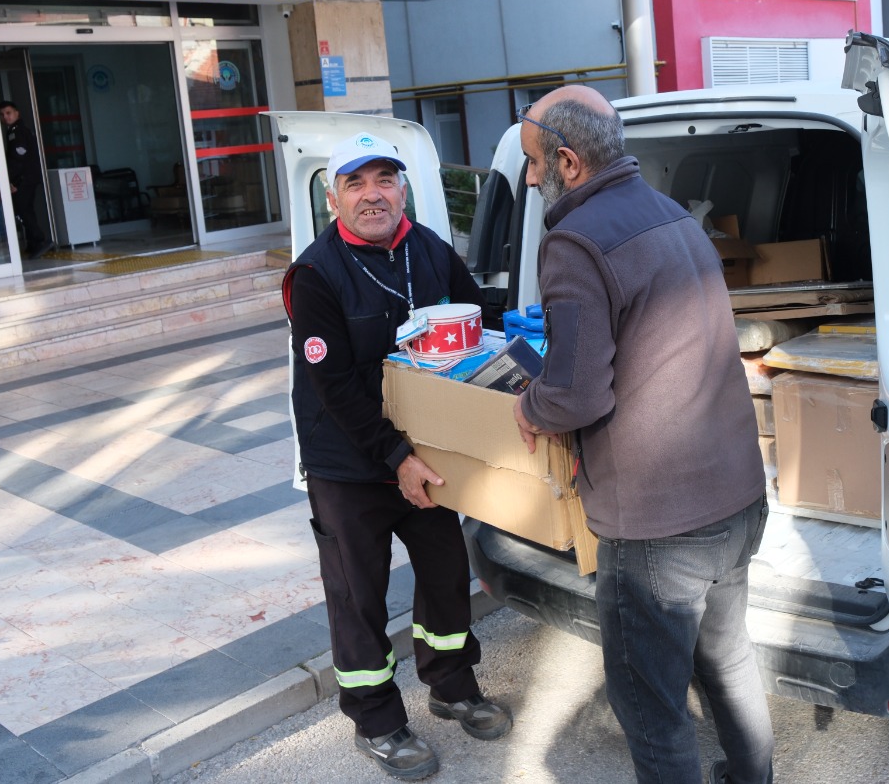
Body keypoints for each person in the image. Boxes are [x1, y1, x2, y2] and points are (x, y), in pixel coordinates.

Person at [511, 87, 773, 784]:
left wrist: (531, 405)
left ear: (567, 161)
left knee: (653, 714)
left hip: (659, 530)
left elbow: (574, 393)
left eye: (534, 164)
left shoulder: (574, 241)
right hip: (737, 499)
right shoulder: (670, 214)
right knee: (728, 663)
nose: (530, 178)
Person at [282, 132, 511, 780]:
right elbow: (338, 390)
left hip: (429, 456)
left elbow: (481, 324)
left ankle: (451, 684)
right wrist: (397, 459)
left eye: (384, 179)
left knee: (445, 576)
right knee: (360, 598)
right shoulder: (315, 275)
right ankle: (377, 721)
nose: (372, 194)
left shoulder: (430, 252)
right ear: (334, 199)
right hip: (350, 466)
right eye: (356, 183)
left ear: (402, 190)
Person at [0, 100, 52, 258]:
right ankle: (33, 243)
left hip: (24, 179)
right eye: (2, 114)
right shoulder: (16, 130)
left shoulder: (17, 131)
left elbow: (18, 158)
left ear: (16, 113)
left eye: (8, 113)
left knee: (22, 209)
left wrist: (13, 181)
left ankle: (39, 240)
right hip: (28, 177)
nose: (5, 117)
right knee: (26, 209)